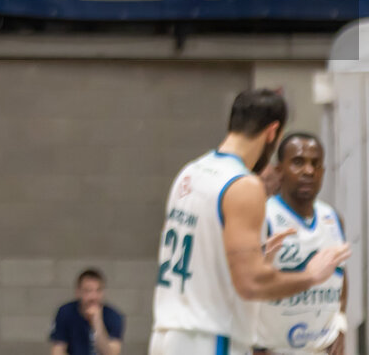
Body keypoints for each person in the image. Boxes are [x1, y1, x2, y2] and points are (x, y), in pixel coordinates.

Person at [149, 89, 350, 355]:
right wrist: (311, 275)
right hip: (210, 338)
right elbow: (251, 283)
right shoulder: (242, 184)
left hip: (167, 334)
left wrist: (257, 255)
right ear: (272, 132)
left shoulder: (189, 173)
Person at [255, 134, 347, 355]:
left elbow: (341, 278)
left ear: (323, 172)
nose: (308, 171)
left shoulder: (333, 218)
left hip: (320, 349)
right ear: (279, 171)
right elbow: (247, 287)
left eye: (315, 164)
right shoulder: (263, 217)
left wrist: (340, 324)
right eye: (298, 162)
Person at [50, 268, 124, 355]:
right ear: (78, 292)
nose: (93, 296)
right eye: (88, 291)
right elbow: (57, 350)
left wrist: (97, 322)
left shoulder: (114, 316)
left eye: (98, 290)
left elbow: (112, 353)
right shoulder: (65, 312)